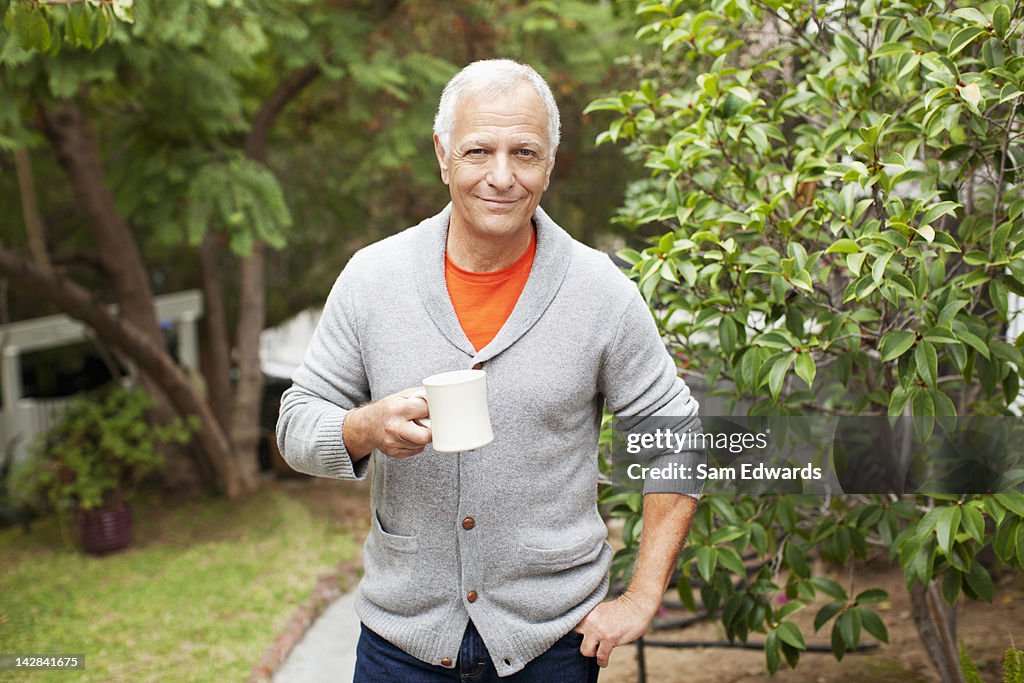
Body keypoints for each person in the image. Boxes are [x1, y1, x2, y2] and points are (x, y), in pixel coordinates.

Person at [277, 58, 702, 682]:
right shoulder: (372, 279)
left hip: (554, 647)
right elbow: (294, 426)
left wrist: (640, 598)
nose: (501, 177)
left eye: (524, 153)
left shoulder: (601, 293)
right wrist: (364, 428)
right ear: (443, 155)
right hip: (402, 646)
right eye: (478, 151)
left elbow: (678, 441)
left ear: (550, 162)